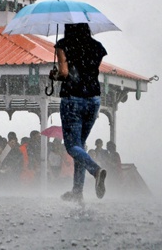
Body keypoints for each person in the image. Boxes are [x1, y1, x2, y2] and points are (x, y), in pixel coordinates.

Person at [50, 22, 108, 203]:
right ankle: (77, 191)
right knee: (80, 146)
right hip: (93, 100)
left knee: (71, 146)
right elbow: (89, 70)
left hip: (72, 99)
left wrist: (55, 76)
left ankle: (96, 170)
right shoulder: (97, 47)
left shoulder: (63, 44)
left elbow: (65, 73)